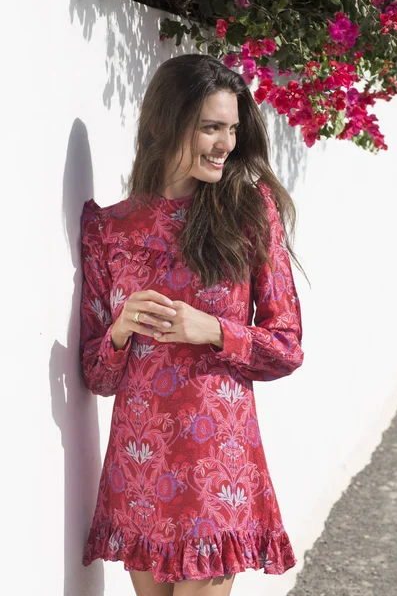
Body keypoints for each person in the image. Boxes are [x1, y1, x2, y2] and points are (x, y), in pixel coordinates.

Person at [80, 53, 305, 596]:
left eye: (231, 128)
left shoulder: (251, 213)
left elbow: (287, 346)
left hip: (217, 468)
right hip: (142, 469)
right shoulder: (109, 229)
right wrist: (119, 330)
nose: (225, 143)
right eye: (210, 127)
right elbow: (98, 377)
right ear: (165, 124)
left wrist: (214, 330)